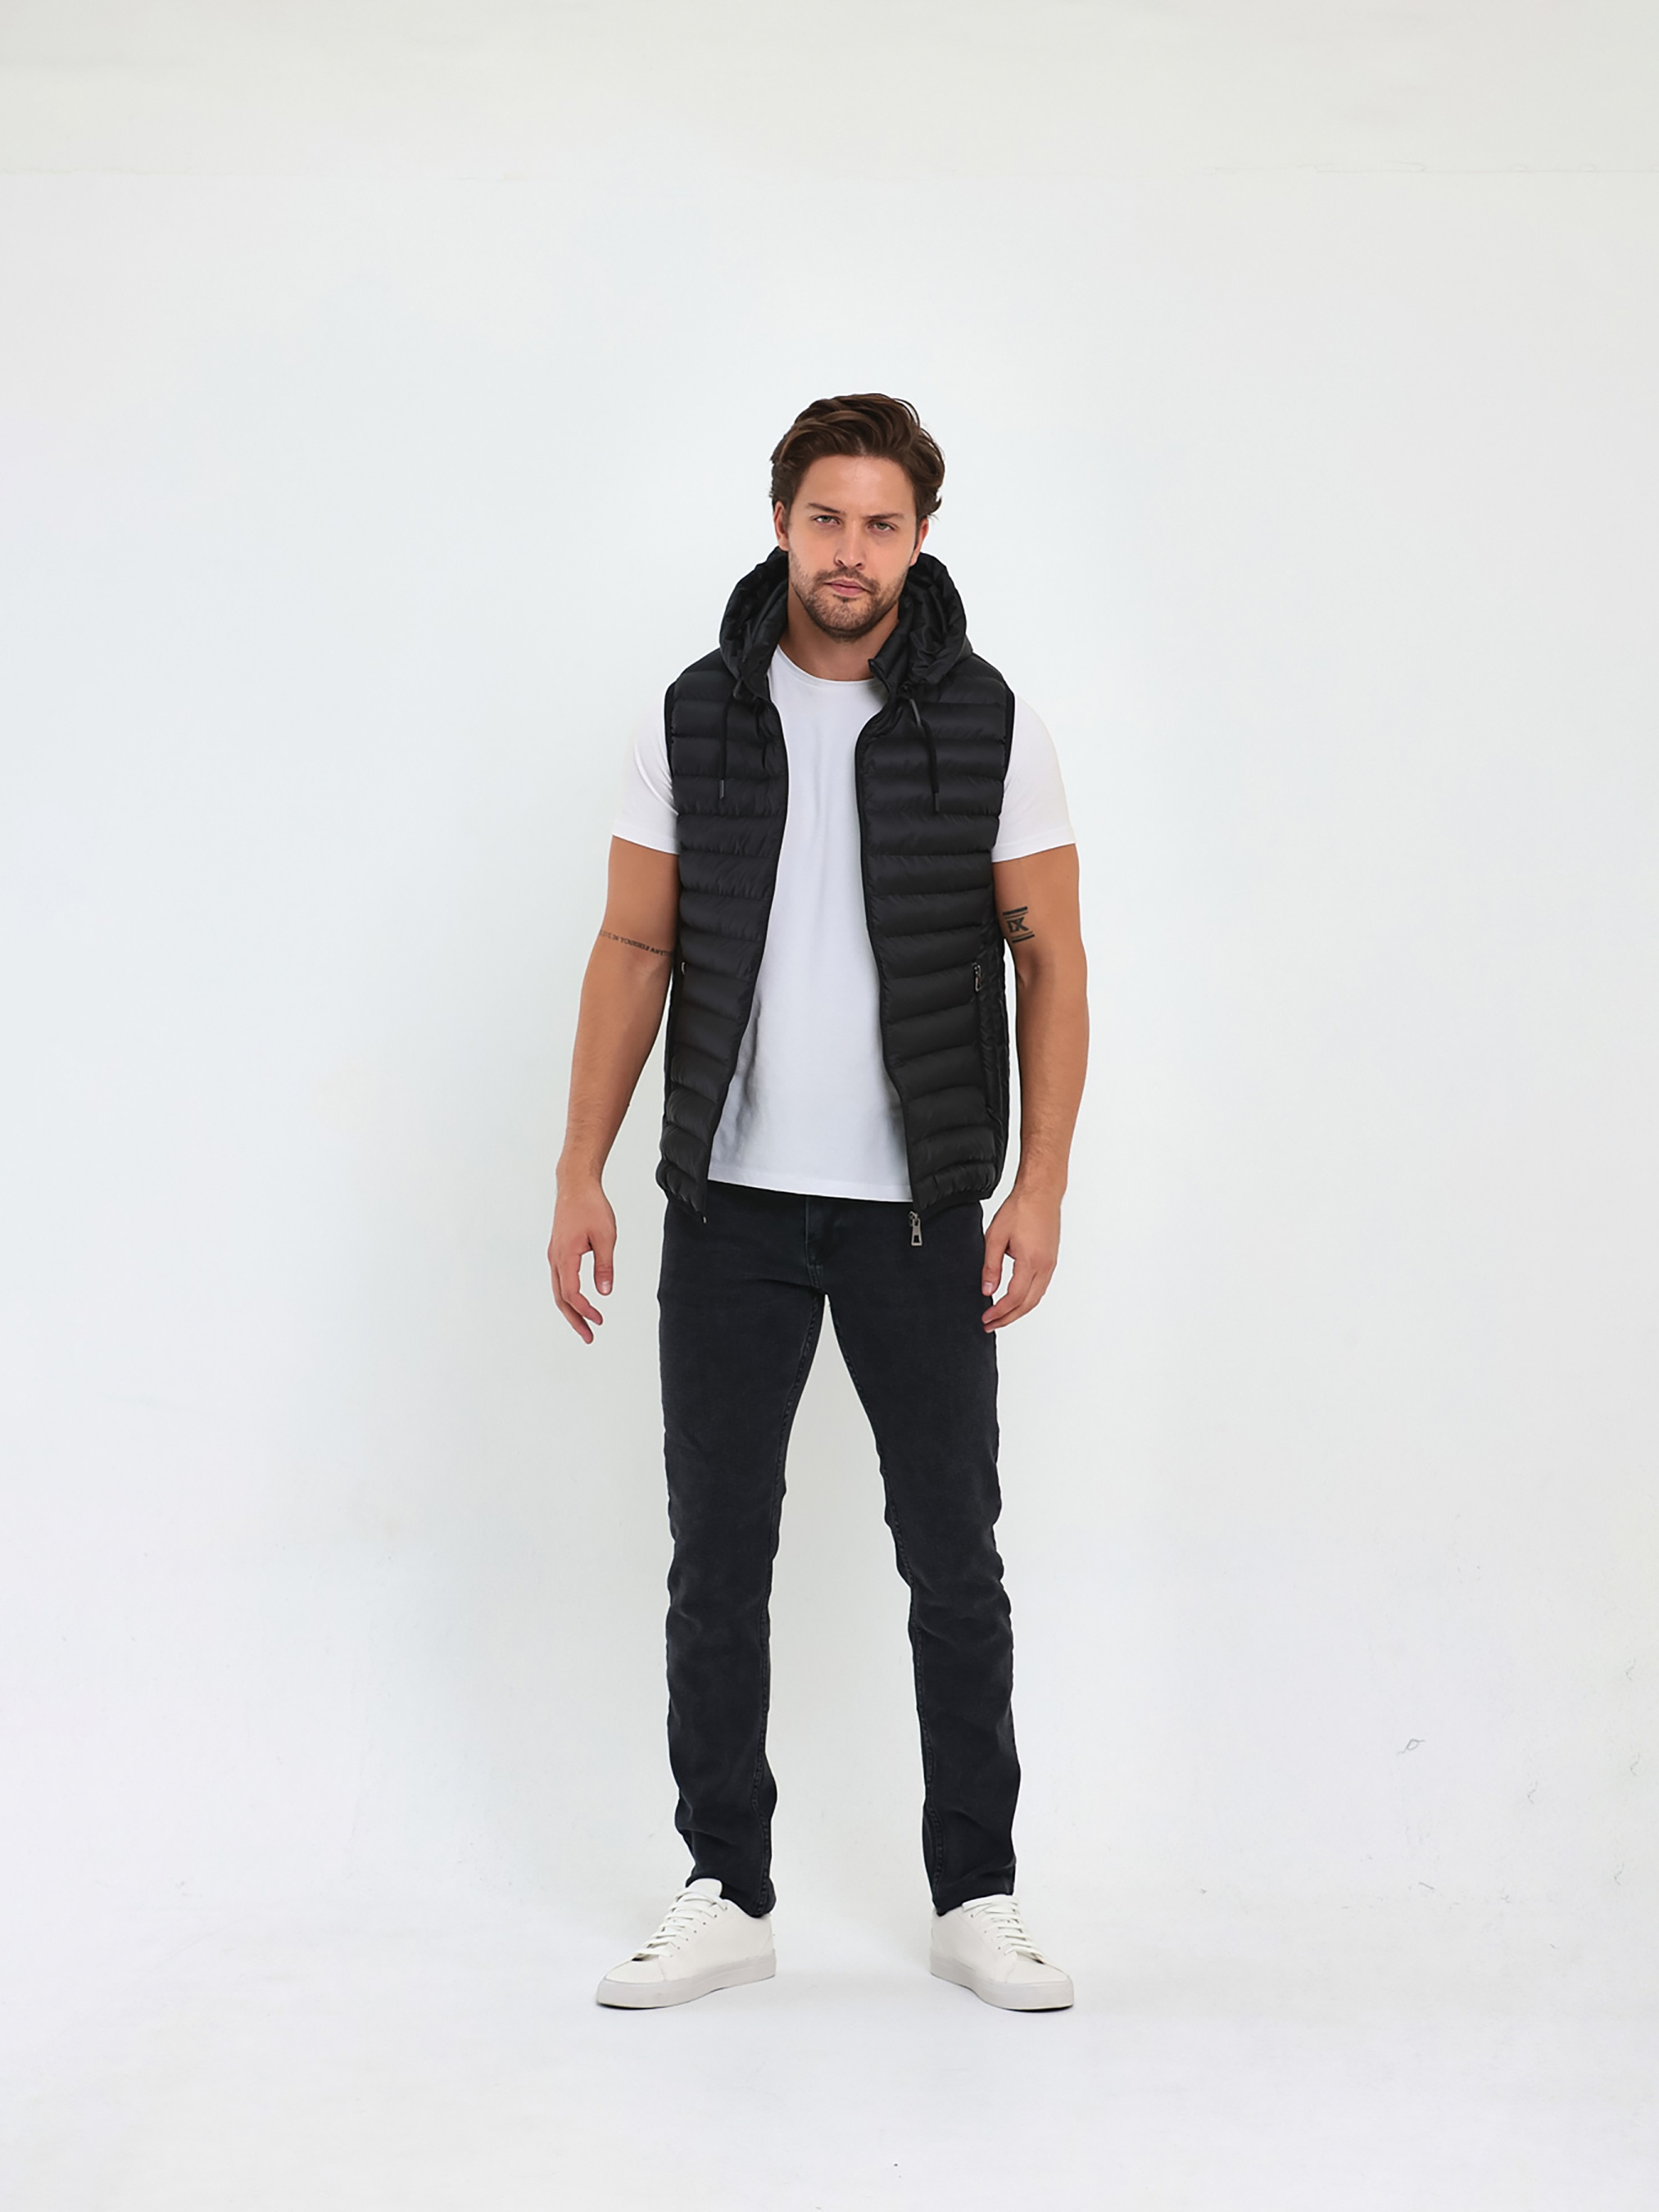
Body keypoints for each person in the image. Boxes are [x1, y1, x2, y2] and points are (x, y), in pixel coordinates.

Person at [548, 394, 1088, 2011]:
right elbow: (633, 944)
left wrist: (1039, 1183)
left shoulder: (988, 721)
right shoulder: (695, 713)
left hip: (919, 1215)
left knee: (953, 1561)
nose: (851, 552)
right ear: (781, 521)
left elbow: (1051, 958)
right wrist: (579, 1168)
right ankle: (725, 1888)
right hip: (728, 1208)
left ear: (920, 538)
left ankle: (975, 1896)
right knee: (714, 1561)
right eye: (826, 519)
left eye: (882, 524)